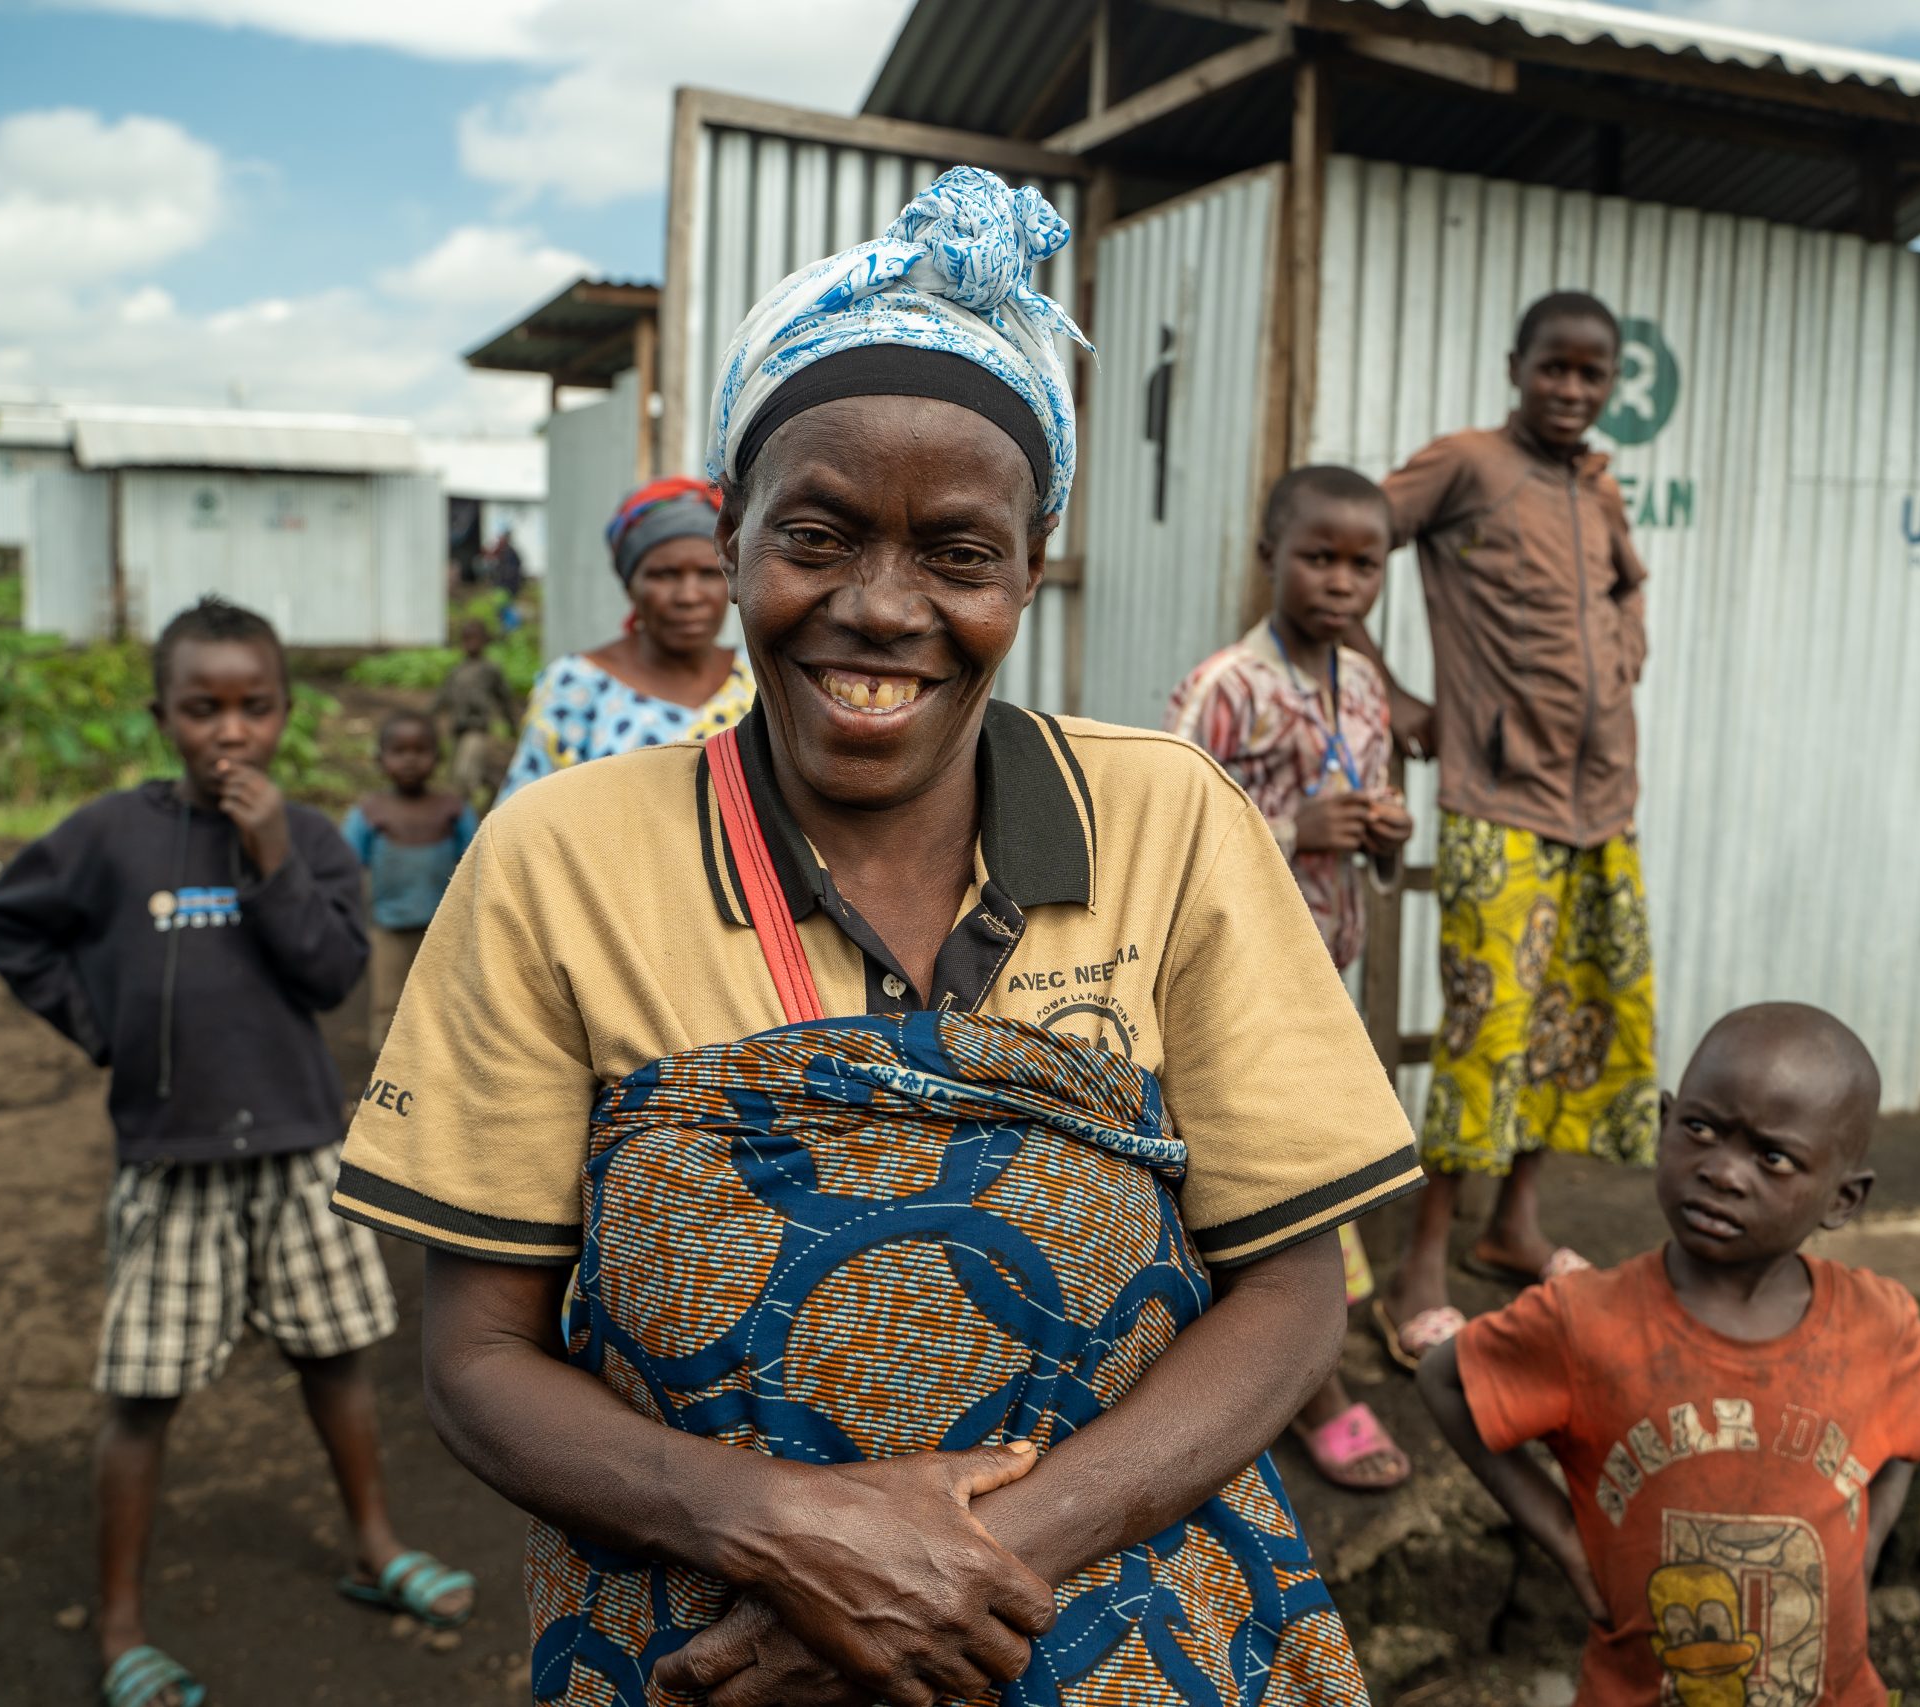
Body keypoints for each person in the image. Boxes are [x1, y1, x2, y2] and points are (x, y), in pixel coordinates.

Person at [330, 166, 1423, 1706]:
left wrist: (968, 1563)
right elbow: (479, 1359)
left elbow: (1296, 1287)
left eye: (959, 555)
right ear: (733, 535)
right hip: (716, 1645)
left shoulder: (1169, 824)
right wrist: (783, 1533)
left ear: (1031, 563)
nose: (883, 608)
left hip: (1118, 1631)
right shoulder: (555, 859)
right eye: (821, 537)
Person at [0, 596, 471, 1707]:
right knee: (142, 1397)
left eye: (253, 707)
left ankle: (373, 1544)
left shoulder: (317, 837)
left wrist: (268, 850)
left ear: (287, 713)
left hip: (296, 1151)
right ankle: (120, 1627)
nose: (229, 732)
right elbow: (8, 921)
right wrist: (95, 1024)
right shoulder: (107, 836)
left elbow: (329, 972)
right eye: (203, 709)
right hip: (172, 1159)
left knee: (335, 1361)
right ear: (164, 716)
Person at [1417, 1003, 1920, 1707]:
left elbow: (1911, 1429)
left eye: (1773, 1156)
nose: (1723, 1172)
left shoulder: (1881, 1324)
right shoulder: (1587, 1321)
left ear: (1842, 1197)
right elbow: (1445, 1379)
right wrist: (1570, 1546)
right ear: (1664, 1122)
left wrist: (1866, 1546)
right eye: (1700, 1128)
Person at [1366, 289, 1660, 1375]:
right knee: (1488, 1033)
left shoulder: (1597, 483)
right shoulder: (1467, 466)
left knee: (1574, 1020)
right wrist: (1394, 694)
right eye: (1554, 370)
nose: (1572, 392)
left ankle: (1514, 1227)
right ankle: (1423, 1267)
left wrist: (1625, 650)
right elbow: (1351, 538)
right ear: (1516, 365)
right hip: (1498, 798)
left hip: (1603, 801)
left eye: (1592, 376)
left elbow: (1630, 586)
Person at [1166, 463, 1415, 1492]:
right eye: (1318, 558)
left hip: (1327, 979)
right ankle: (1314, 1395)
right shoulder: (1227, 685)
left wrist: (1386, 835)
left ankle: (1285, 1377)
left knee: (1312, 1169)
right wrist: (1290, 828)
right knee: (1285, 1182)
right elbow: (1166, 839)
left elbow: (1382, 826)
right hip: (1237, 989)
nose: (1341, 584)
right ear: (1268, 557)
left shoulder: (1363, 687)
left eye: (1364, 566)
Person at [496, 476, 755, 803]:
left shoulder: (755, 679)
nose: (689, 596)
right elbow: (523, 825)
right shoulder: (577, 687)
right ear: (629, 584)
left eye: (708, 573)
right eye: (664, 575)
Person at [342, 710, 477, 1048]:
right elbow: (344, 865)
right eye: (399, 752)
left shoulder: (453, 810)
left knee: (445, 1001)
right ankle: (386, 1077)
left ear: (438, 757)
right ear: (380, 758)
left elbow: (477, 862)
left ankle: (441, 1071)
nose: (410, 761)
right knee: (388, 1004)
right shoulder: (370, 813)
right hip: (388, 928)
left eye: (421, 751)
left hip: (444, 929)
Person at [432, 616, 518, 812]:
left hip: (477, 727)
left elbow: (504, 698)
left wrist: (512, 726)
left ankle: (469, 812)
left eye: (476, 638)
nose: (471, 643)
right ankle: (491, 787)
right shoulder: (457, 671)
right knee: (455, 774)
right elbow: (442, 698)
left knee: (466, 773)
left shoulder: (490, 669)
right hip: (458, 729)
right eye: (467, 639)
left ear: (485, 641)